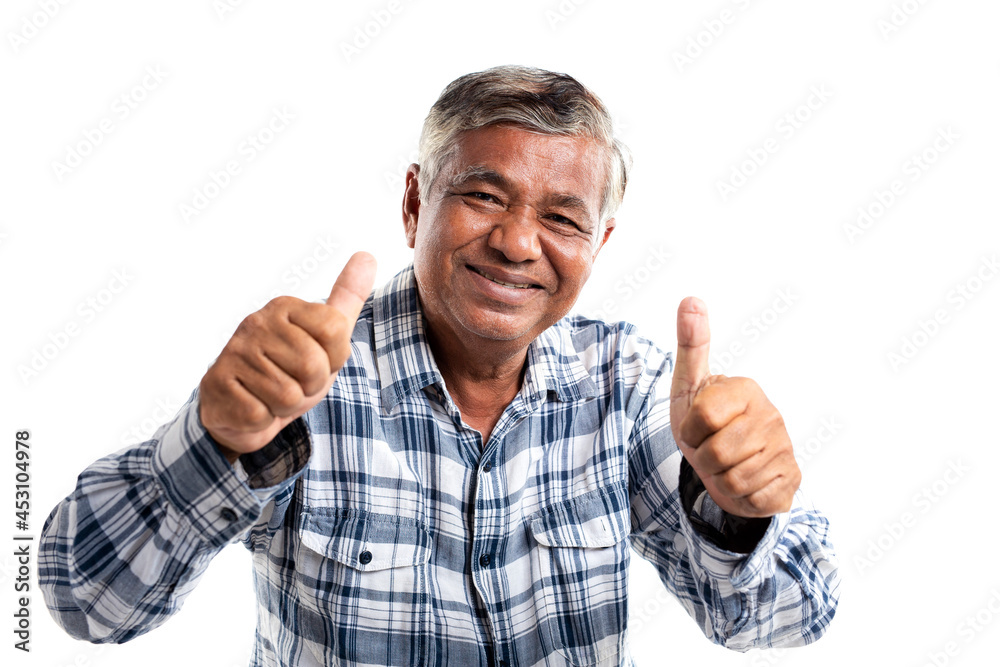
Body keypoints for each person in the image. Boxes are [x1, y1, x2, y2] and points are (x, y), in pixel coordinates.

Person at [40, 65, 839, 666]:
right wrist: (213, 446)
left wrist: (739, 517)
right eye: (486, 197)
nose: (519, 242)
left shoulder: (626, 384)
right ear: (416, 203)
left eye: (561, 217)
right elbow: (85, 600)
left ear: (599, 244)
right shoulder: (301, 381)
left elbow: (785, 616)